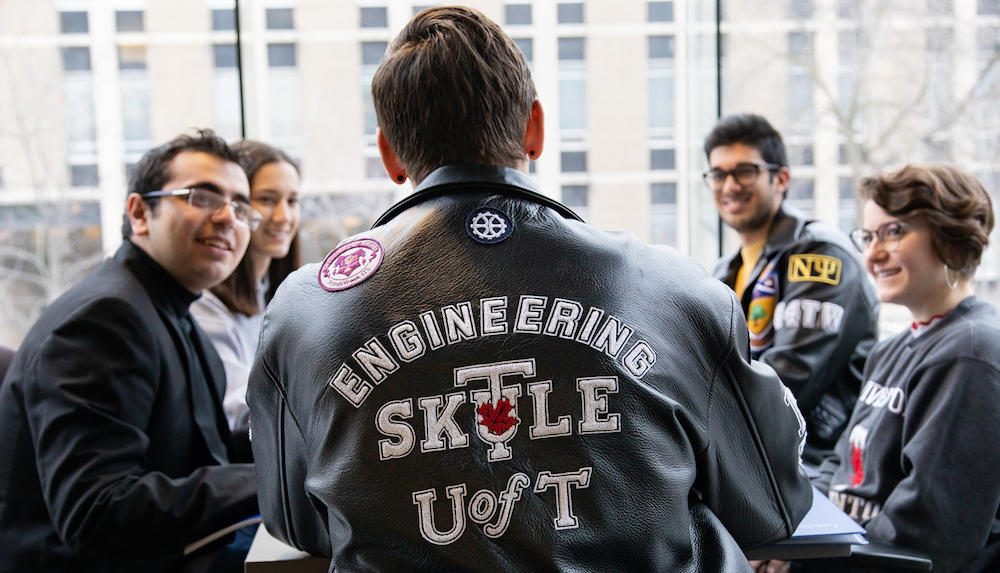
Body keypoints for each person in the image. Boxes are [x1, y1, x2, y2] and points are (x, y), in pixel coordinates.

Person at [248, 7, 812, 572]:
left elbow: (299, 523)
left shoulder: (304, 313)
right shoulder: (678, 291)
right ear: (535, 129)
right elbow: (770, 504)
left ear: (390, 154)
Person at [0, 129, 259, 573]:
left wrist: (299, 448)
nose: (228, 218)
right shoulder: (106, 317)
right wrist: (271, 480)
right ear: (140, 213)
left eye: (240, 206)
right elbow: (97, 512)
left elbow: (203, 446)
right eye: (202, 197)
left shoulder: (166, 306)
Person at [811, 164, 1000, 572]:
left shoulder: (971, 352)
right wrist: (788, 538)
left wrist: (805, 557)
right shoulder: (891, 349)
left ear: (950, 239)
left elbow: (928, 531)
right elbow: (839, 464)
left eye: (893, 232)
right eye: (868, 236)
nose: (872, 254)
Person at [705, 114, 879, 465]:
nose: (729, 185)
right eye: (718, 174)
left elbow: (791, 378)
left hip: (818, 462)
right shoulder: (724, 272)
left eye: (745, 171)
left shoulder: (819, 256)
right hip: (754, 455)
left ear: (781, 178)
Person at [190, 139, 302, 453]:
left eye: (292, 201)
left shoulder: (279, 294)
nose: (283, 215)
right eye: (267, 199)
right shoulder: (206, 306)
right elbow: (239, 411)